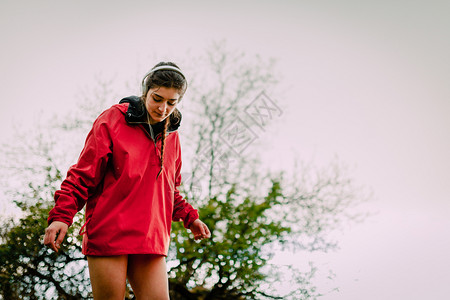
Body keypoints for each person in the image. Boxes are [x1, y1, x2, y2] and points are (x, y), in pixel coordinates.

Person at [43, 62, 211, 300]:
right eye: (157, 98)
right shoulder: (113, 119)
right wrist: (61, 216)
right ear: (145, 92)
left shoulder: (172, 137)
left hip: (151, 236)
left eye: (171, 103)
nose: (163, 108)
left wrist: (190, 217)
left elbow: (168, 189)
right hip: (110, 231)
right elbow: (83, 174)